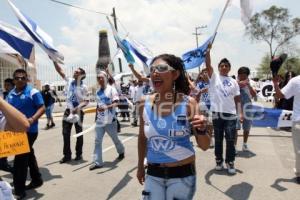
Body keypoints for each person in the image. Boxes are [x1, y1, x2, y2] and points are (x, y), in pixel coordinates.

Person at [137, 54, 210, 200]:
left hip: (182, 176)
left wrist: (202, 128)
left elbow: (204, 145)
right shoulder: (143, 103)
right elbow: (142, 138)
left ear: (175, 74)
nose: (155, 72)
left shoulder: (189, 104)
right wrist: (140, 166)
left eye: (161, 68)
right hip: (153, 174)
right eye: (152, 69)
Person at [7, 69, 45, 199]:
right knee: (28, 155)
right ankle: (37, 179)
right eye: (17, 78)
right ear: (14, 80)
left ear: (26, 79)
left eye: (23, 78)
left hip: (30, 131)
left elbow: (42, 107)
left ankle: (19, 190)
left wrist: (32, 119)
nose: (20, 80)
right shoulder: (11, 94)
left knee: (20, 160)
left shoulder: (32, 92)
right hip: (16, 132)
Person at [205, 46, 242, 174]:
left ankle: (230, 162)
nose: (224, 67)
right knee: (219, 139)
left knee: (231, 138)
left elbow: (238, 99)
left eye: (226, 65)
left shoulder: (234, 82)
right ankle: (219, 161)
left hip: (231, 114)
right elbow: (208, 65)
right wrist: (207, 52)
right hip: (217, 113)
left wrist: (240, 113)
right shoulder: (214, 77)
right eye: (222, 65)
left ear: (229, 68)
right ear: (219, 67)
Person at [53, 61, 89, 164]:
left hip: (78, 112)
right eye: (75, 71)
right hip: (68, 111)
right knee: (65, 133)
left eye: (77, 72)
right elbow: (60, 71)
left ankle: (79, 154)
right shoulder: (69, 81)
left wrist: (77, 108)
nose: (74, 72)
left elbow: (86, 101)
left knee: (79, 134)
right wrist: (53, 60)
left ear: (81, 76)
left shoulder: (84, 87)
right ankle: (67, 155)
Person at [89, 71, 125, 170]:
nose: (99, 79)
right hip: (100, 121)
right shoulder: (97, 92)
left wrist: (106, 107)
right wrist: (96, 117)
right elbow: (98, 106)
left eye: (101, 77)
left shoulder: (111, 90)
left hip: (110, 121)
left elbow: (116, 103)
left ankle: (121, 151)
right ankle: (98, 162)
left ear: (105, 78)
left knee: (115, 139)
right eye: (98, 78)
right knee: (97, 141)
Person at [0, 96, 29, 199]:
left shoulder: (31, 92)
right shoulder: (11, 94)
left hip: (20, 138)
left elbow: (23, 126)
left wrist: (0, 102)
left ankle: (21, 189)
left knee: (21, 163)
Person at [273, 75, 300, 184]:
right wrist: (275, 84)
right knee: (299, 152)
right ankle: (299, 173)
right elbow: (280, 95)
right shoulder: (296, 81)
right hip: (299, 120)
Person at [235, 67, 256, 152]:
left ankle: (245, 144)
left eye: (244, 75)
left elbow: (254, 94)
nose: (242, 77)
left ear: (247, 76)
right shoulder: (234, 82)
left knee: (247, 127)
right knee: (235, 127)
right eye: (240, 75)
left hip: (248, 106)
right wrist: (238, 84)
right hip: (237, 106)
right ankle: (234, 146)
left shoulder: (252, 83)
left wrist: (248, 85)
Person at [0, 78, 15, 173]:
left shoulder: (14, 96)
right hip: (2, 124)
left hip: (8, 125)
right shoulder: (4, 94)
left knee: (5, 147)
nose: (6, 87)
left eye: (8, 85)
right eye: (5, 85)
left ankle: (4, 164)